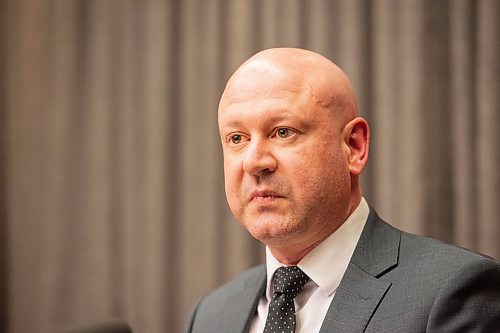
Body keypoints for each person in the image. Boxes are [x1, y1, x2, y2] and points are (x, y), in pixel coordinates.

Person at [185, 48, 500, 333]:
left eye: (283, 132)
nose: (255, 162)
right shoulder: (210, 316)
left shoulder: (451, 293)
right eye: (237, 138)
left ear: (354, 146)